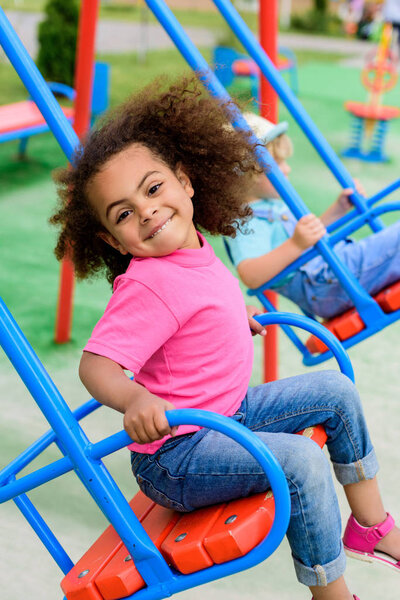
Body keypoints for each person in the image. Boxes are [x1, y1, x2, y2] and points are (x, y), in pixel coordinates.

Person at [50, 75, 400, 600]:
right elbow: (95, 366)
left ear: (186, 182)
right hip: (177, 457)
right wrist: (136, 398)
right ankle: (331, 593)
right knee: (300, 461)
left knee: (335, 391)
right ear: (109, 237)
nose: (146, 210)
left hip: (223, 416)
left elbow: (201, 305)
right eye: (124, 212)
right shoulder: (147, 282)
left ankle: (370, 526)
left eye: (153, 188)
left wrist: (239, 319)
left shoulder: (191, 248)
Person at [225, 112, 400, 319]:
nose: (287, 169)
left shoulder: (271, 205)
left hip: (334, 272)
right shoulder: (245, 222)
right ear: (245, 175)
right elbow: (250, 275)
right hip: (328, 283)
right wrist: (296, 244)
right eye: (278, 164)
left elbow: (309, 240)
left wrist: (338, 210)